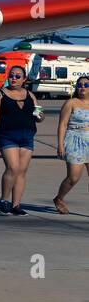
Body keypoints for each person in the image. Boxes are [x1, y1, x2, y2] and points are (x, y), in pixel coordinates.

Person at [0, 64, 42, 215]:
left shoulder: (30, 95)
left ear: (24, 79)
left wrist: (40, 115)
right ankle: (4, 200)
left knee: (21, 171)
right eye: (11, 76)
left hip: (27, 135)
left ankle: (16, 205)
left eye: (17, 76)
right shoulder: (0, 94)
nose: (13, 78)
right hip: (7, 135)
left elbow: (39, 114)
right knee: (13, 168)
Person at [53, 76, 89, 214]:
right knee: (73, 177)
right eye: (80, 85)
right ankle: (59, 198)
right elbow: (62, 124)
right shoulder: (71, 103)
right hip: (74, 140)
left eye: (86, 85)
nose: (82, 87)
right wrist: (60, 145)